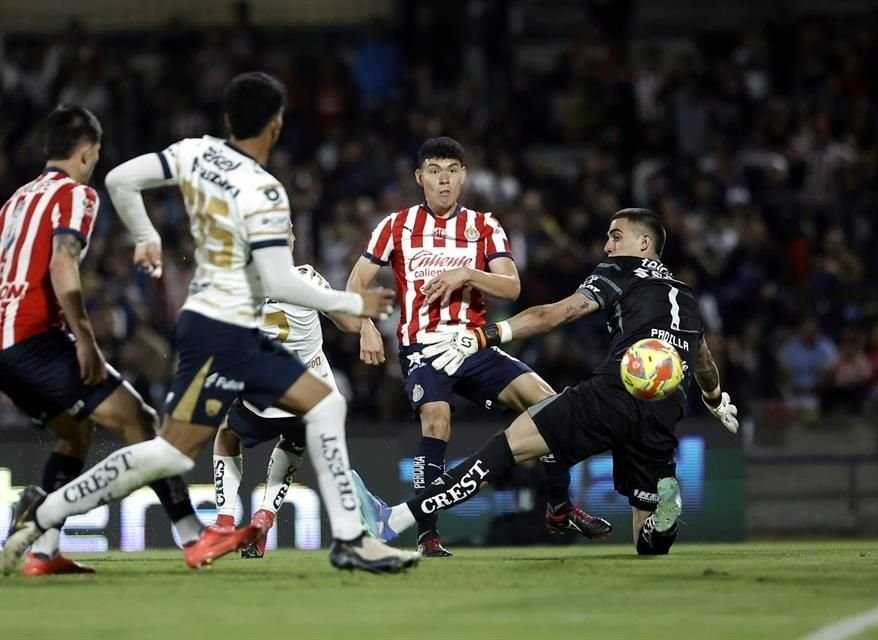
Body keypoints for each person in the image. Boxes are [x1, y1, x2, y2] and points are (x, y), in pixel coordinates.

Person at [3, 72, 419, 576]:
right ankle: (44, 510)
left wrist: (145, 235)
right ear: (276, 125)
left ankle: (351, 539)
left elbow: (119, 180)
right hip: (225, 328)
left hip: (211, 321)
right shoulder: (266, 193)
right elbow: (279, 282)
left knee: (324, 404)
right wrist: (352, 304)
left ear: (228, 120)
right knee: (170, 453)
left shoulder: (194, 152)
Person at [355, 209, 740, 555]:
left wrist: (486, 334)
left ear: (644, 243)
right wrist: (716, 399)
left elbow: (554, 314)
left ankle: (396, 519)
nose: (607, 246)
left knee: (505, 447)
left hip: (613, 391)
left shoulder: (621, 271)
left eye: (615, 236)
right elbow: (703, 360)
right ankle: (659, 520)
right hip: (664, 409)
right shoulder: (687, 297)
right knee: (645, 539)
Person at [346, 136, 608, 556]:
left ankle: (560, 507)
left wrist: (466, 273)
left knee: (550, 405)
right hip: (424, 347)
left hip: (473, 344)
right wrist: (365, 327)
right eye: (434, 171)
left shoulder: (484, 226)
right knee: (436, 420)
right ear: (419, 177)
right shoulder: (395, 226)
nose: (444, 180)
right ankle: (426, 534)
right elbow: (356, 283)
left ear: (464, 176)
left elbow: (511, 286)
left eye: (452, 170)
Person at [0, 105, 206, 576]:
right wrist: (85, 340)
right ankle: (193, 536)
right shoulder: (77, 194)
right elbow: (61, 264)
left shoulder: (14, 201)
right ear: (89, 153)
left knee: (75, 433)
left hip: (5, 346)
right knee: (139, 418)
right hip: (35, 337)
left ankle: (43, 551)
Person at [213, 234, 367, 559]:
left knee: (227, 433)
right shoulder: (307, 278)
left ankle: (225, 521)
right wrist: (365, 324)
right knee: (294, 441)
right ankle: (265, 514)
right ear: (291, 241)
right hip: (315, 395)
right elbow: (347, 321)